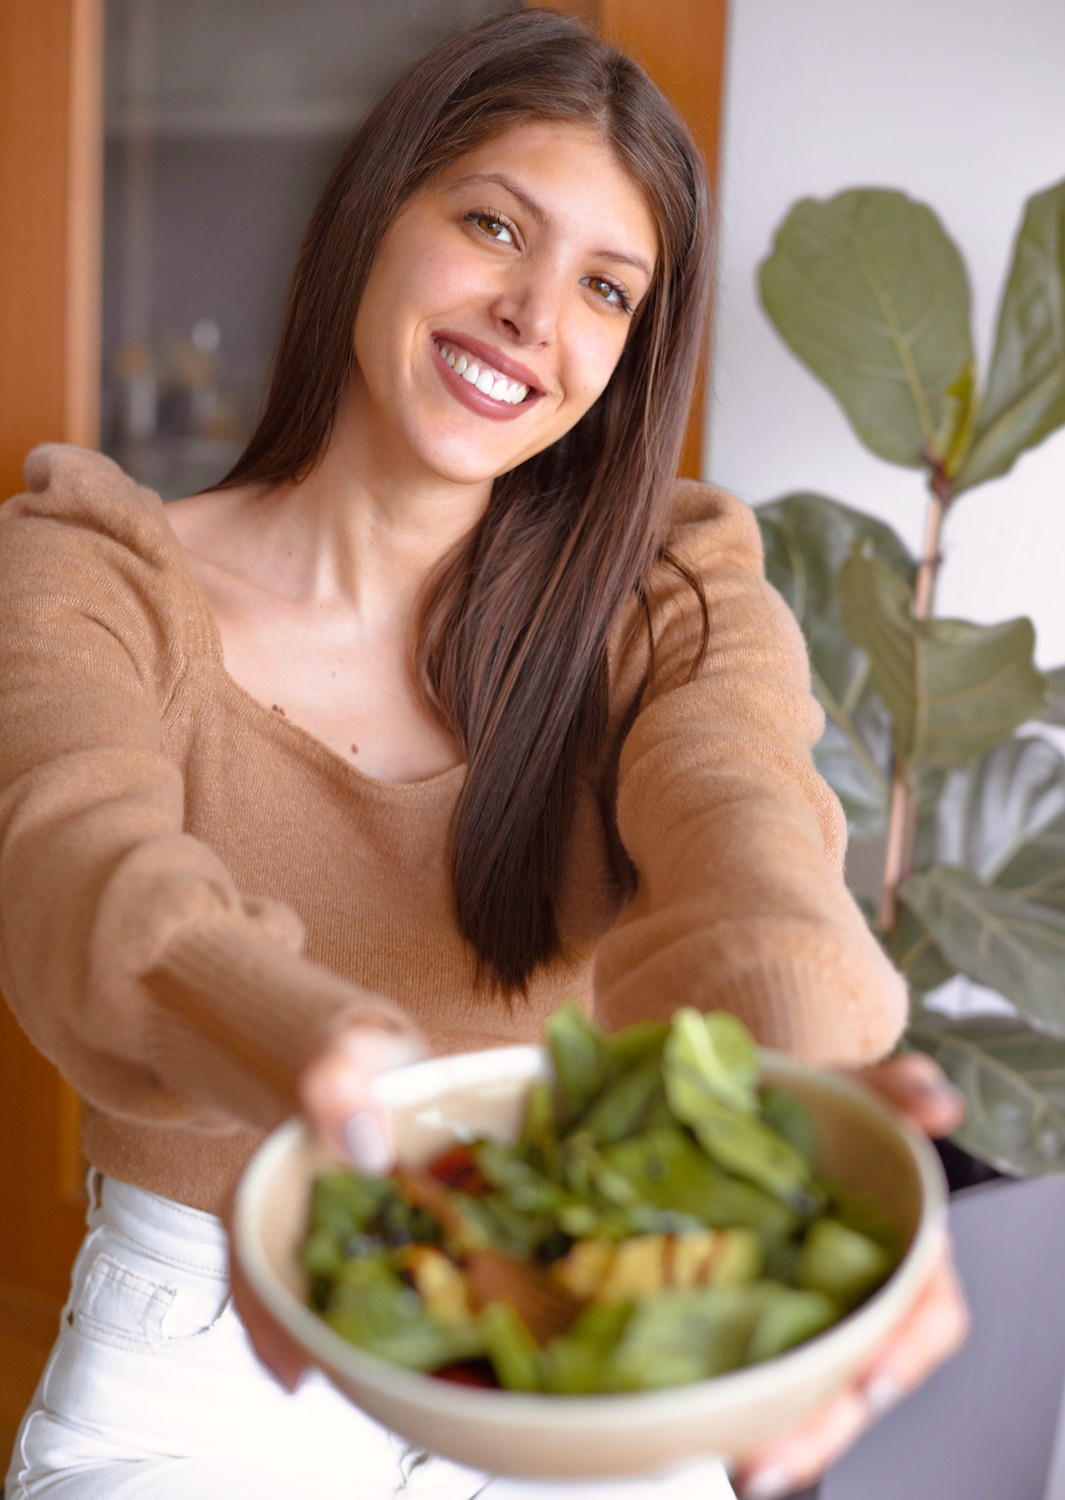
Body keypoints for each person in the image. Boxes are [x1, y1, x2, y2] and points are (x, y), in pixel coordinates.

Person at [0, 11, 965, 1500]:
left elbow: (747, 833)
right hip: (209, 1346)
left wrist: (807, 1089)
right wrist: (308, 1062)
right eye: (491, 224)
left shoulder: (675, 592)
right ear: (371, 221)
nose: (532, 314)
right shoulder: (89, 567)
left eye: (602, 287)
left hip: (590, 1311)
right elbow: (76, 874)